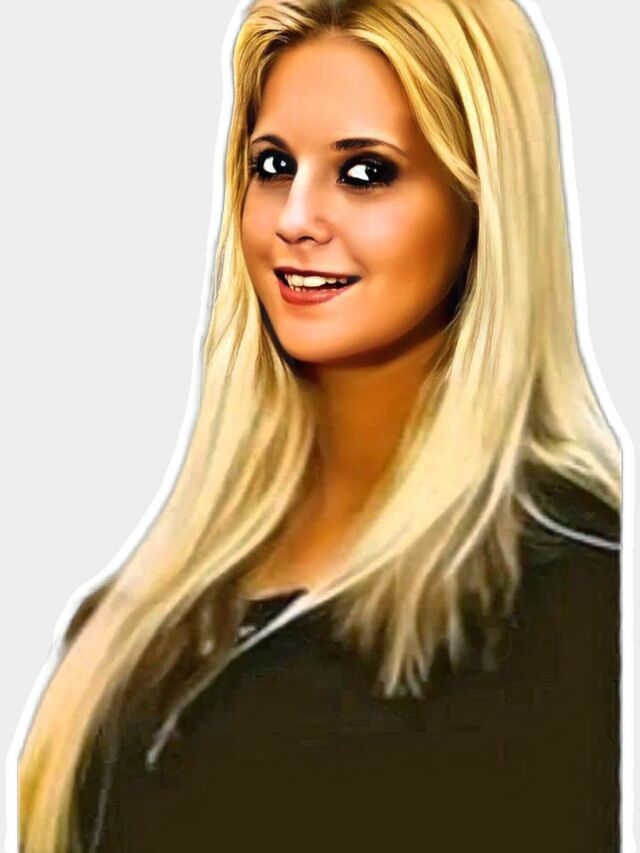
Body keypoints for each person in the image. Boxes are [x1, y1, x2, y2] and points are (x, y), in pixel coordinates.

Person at [18, 0, 622, 850]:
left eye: (365, 172)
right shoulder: (143, 611)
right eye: (272, 165)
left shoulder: (580, 596)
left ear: (483, 203)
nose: (295, 217)